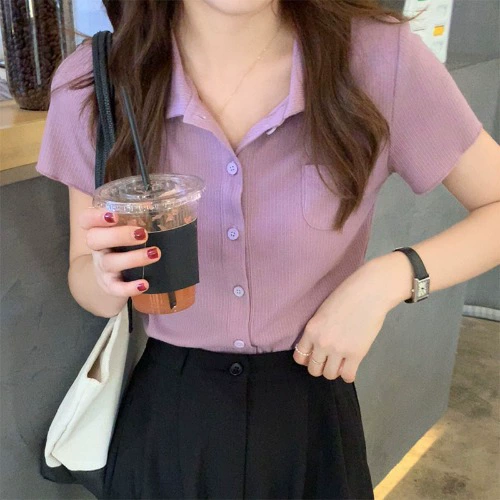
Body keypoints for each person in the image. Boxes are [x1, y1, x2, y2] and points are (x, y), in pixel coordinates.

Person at [36, 0, 500, 498]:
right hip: (171, 418)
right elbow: (86, 281)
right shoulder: (96, 81)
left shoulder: (380, 58)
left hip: (313, 409)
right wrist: (108, 277)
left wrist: (387, 279)